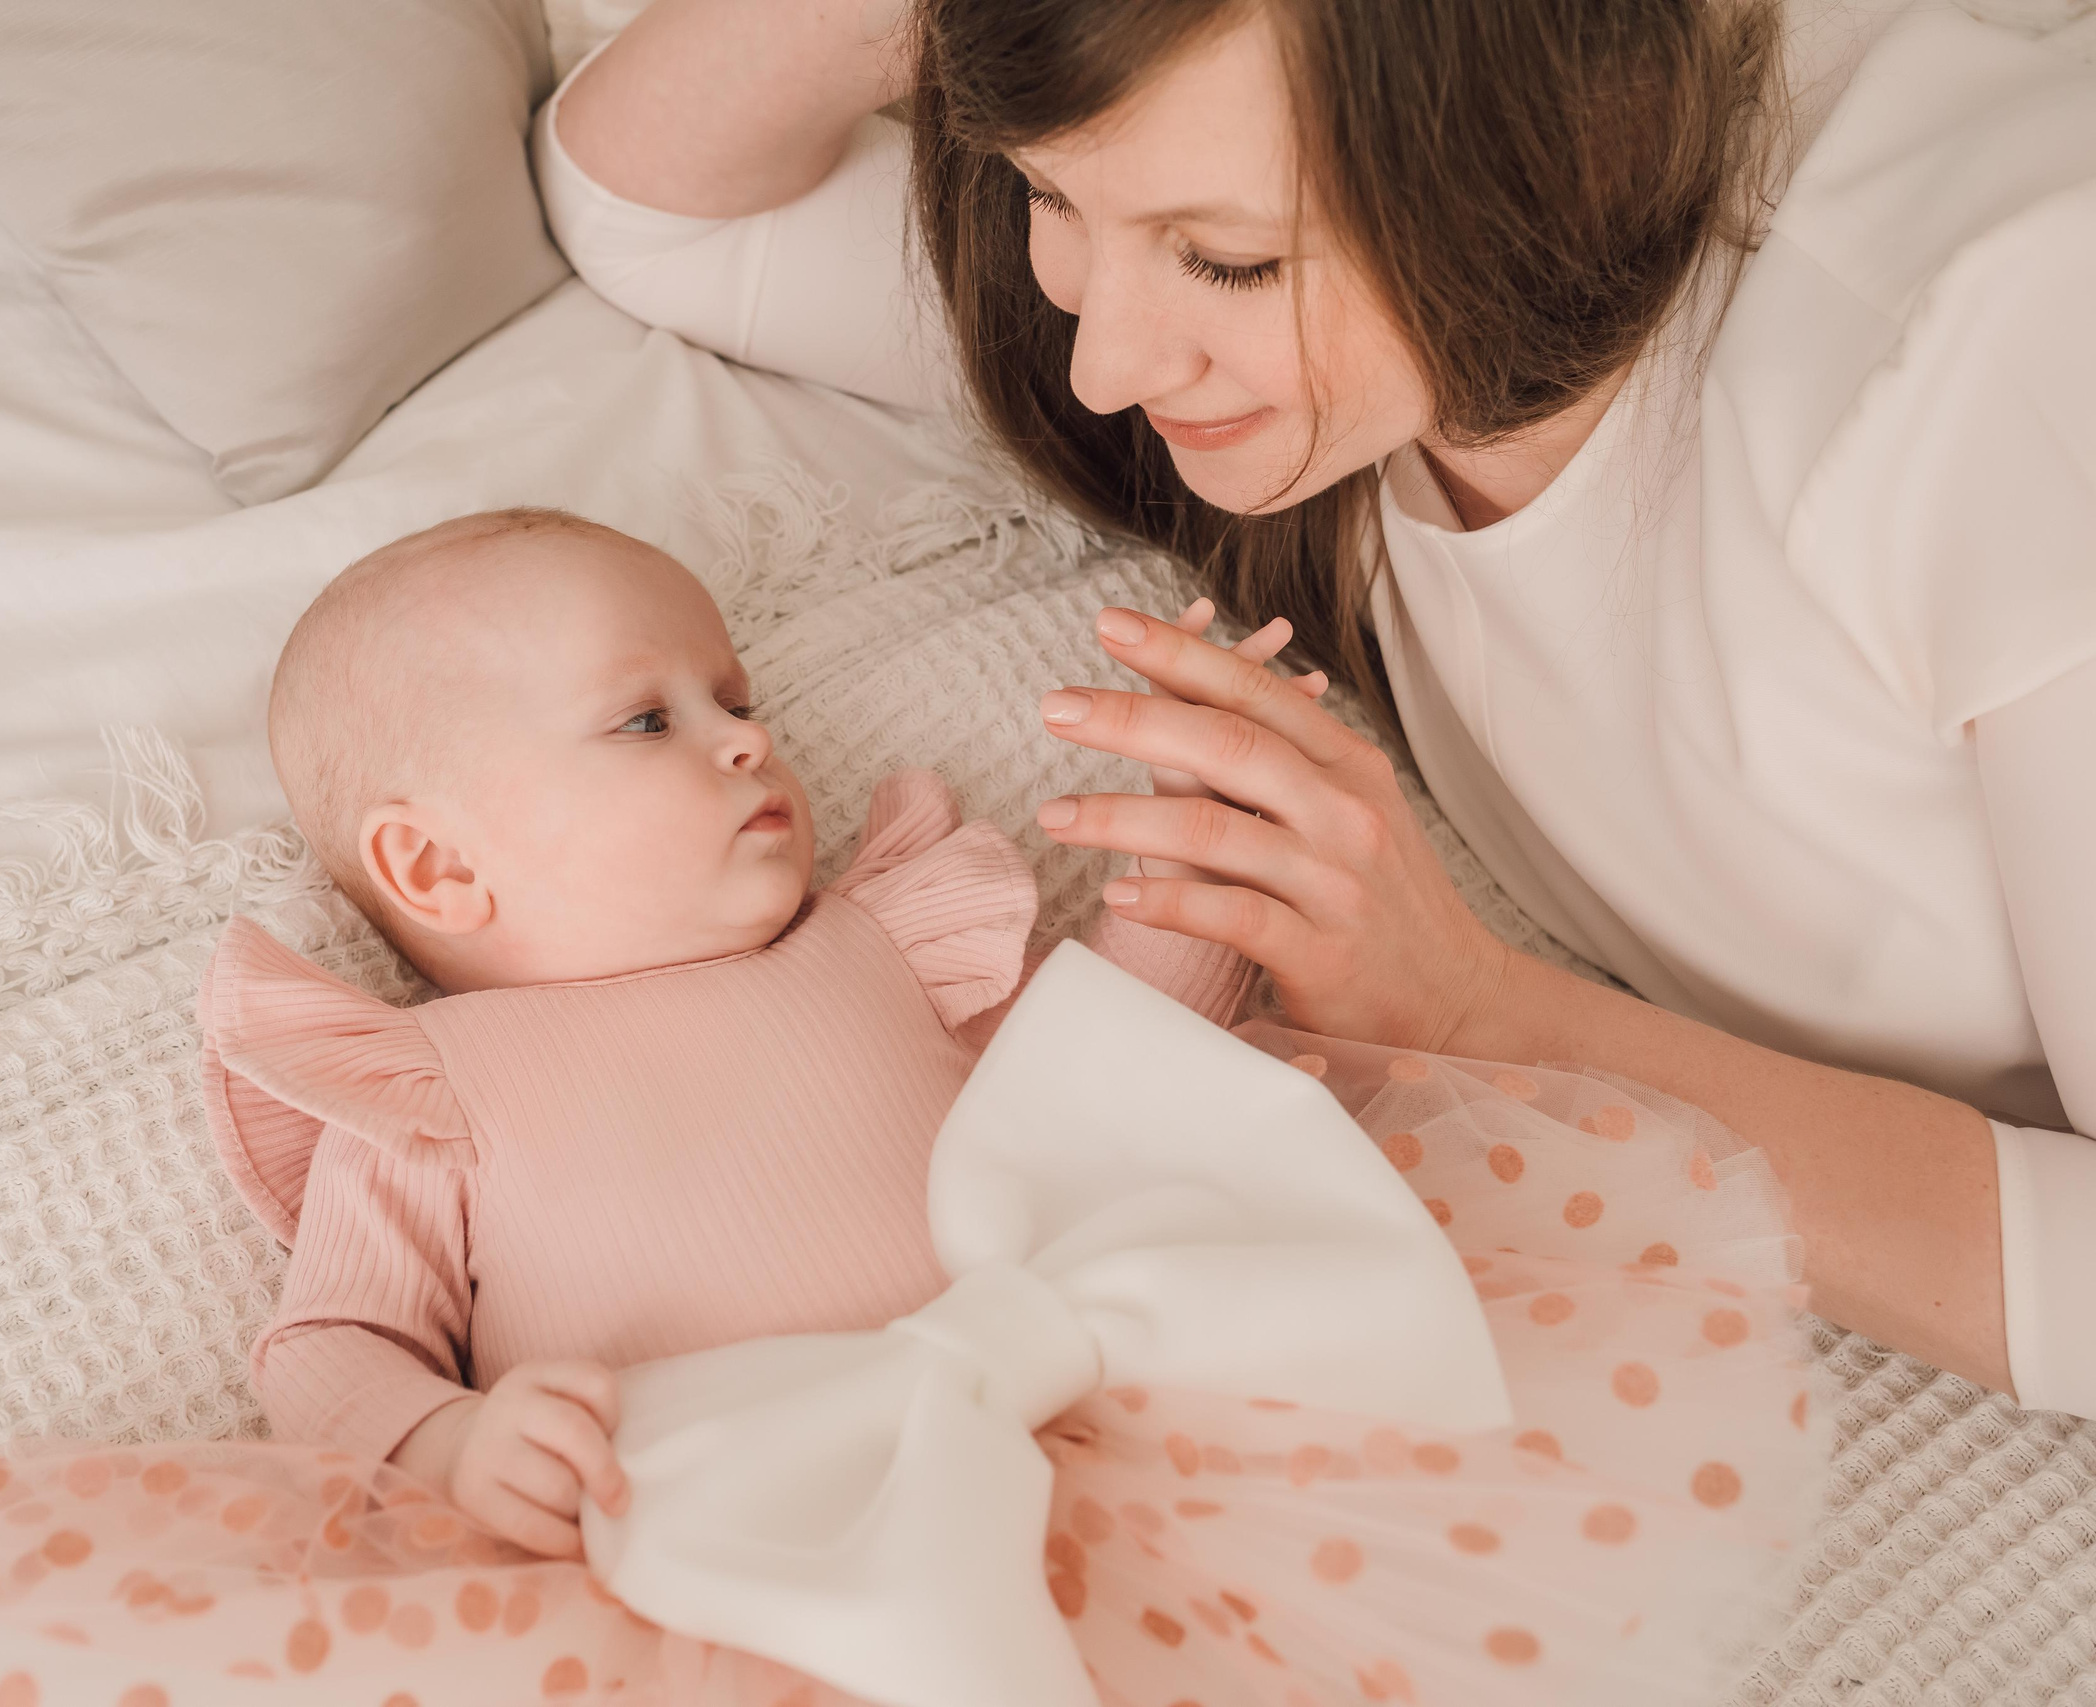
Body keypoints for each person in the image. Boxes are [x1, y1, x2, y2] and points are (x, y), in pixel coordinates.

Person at [0, 509, 1823, 1707]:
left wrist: (1202, 864)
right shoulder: (429, 1089)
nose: (745, 732)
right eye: (646, 717)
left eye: (734, 687)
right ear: (436, 871)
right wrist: (455, 1431)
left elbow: (1108, 1090)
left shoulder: (884, 935)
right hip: (690, 1568)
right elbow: (327, 1346)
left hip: (1086, 1475)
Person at [535, 0, 2096, 1418]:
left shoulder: (2004, 357)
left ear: (1550, 148)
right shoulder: (1265, 298)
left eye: (1228, 259)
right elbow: (651, 206)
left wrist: (1477, 1014)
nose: (1101, 367)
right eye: (1049, 197)